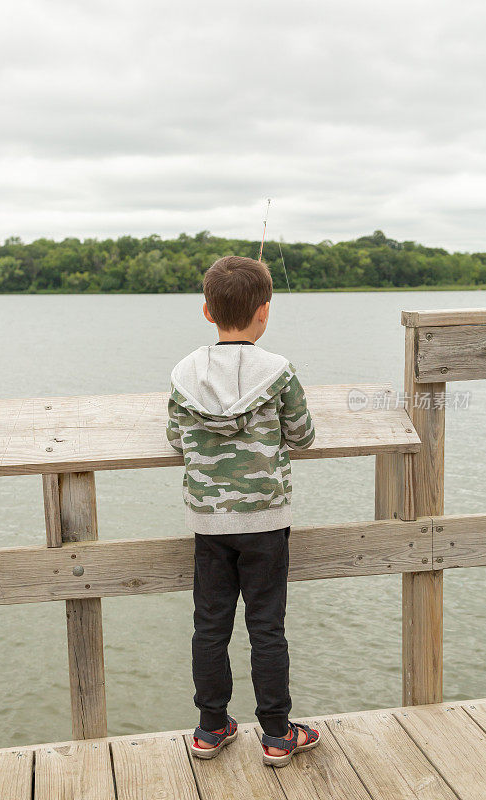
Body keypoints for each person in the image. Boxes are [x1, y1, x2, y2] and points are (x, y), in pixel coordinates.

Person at [166, 255, 320, 767]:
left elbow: (174, 438)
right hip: (266, 523)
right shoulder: (278, 371)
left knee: (209, 626)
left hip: (209, 524)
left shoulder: (184, 372)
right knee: (267, 628)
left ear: (207, 311)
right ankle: (277, 733)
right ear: (265, 312)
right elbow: (302, 434)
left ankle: (211, 728)